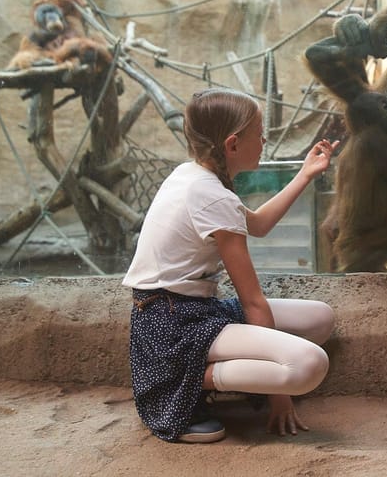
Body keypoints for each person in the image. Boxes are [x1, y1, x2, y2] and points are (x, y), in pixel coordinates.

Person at [122, 87, 339, 443]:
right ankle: (181, 378)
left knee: (319, 319)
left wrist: (305, 174)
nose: (265, 139)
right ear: (233, 144)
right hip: (173, 326)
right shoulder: (211, 195)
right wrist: (279, 399)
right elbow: (253, 301)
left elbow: (257, 224)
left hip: (187, 312)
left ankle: (198, 374)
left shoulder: (193, 174)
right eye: (259, 132)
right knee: (308, 366)